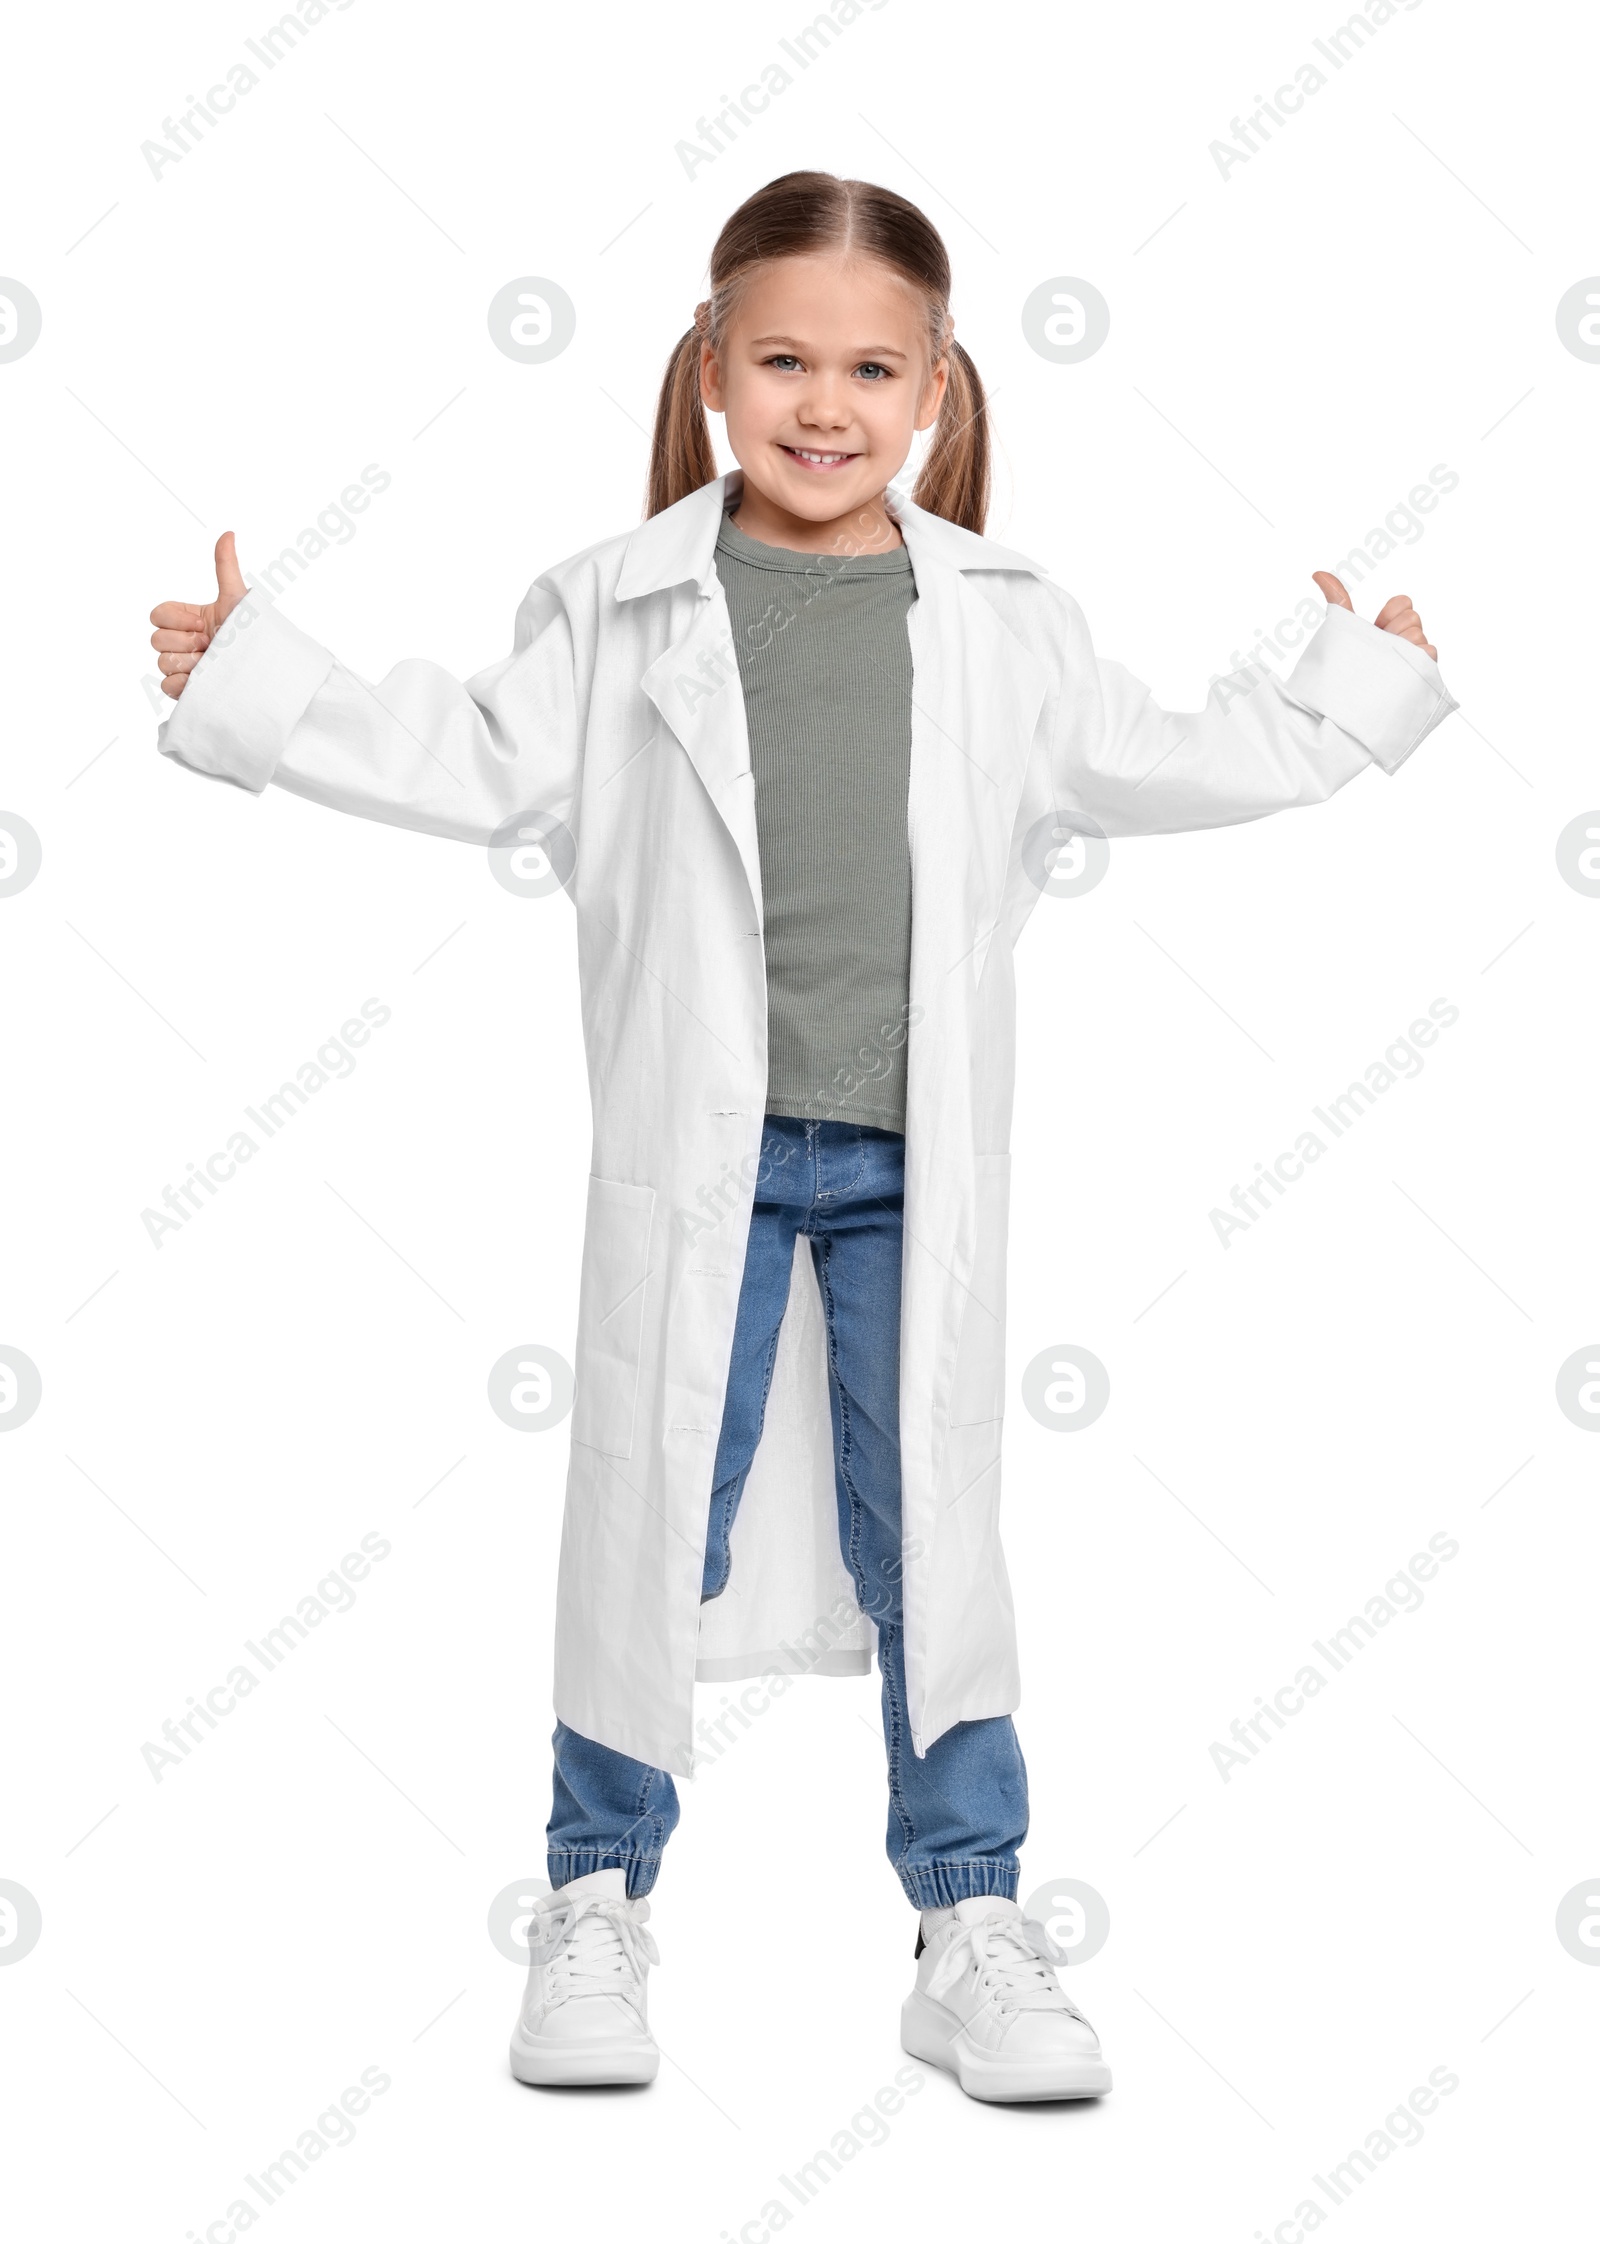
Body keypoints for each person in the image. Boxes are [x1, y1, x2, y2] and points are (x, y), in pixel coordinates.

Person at [149, 170, 1454, 2104]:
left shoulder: (1004, 621)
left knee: (935, 1531)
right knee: (645, 1516)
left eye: (869, 366)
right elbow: (468, 750)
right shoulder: (621, 600)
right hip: (709, 1163)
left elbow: (1173, 748)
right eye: (781, 360)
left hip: (913, 1167)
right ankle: (595, 1899)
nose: (822, 405)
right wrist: (263, 676)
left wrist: (1351, 691)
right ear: (709, 368)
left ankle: (973, 1921)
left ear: (935, 385)